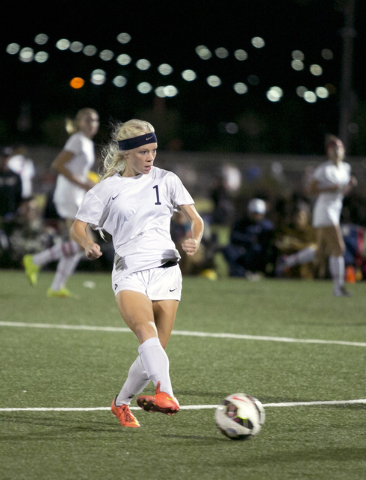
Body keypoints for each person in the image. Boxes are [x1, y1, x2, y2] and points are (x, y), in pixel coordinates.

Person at [70, 119, 204, 428]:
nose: (150, 158)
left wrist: (195, 237)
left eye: (153, 150)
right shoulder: (107, 189)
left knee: (152, 355)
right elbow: (78, 227)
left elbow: (195, 219)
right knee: (147, 332)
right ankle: (167, 394)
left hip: (167, 273)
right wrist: (87, 243)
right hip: (130, 272)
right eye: (143, 151)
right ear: (126, 153)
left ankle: (120, 403)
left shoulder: (167, 179)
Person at [23, 108, 100, 297]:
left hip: (76, 194)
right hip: (68, 194)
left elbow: (77, 170)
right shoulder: (77, 140)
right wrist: (83, 183)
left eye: (95, 120)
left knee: (82, 243)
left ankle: (56, 286)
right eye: (87, 120)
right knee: (84, 243)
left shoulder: (86, 143)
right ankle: (35, 261)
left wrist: (87, 182)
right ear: (79, 123)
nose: (92, 124)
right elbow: (58, 164)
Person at [308, 135, 357, 296]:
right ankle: (338, 287)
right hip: (325, 210)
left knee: (320, 251)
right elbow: (312, 189)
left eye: (339, 147)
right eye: (333, 148)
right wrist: (330, 188)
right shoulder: (324, 169)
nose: (336, 150)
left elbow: (342, 192)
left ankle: (288, 261)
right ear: (328, 151)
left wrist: (349, 185)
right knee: (339, 247)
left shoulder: (346, 168)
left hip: (335, 210)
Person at [222, 198, 274, 278]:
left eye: (258, 214)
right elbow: (233, 238)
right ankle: (239, 273)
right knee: (228, 250)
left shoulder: (267, 227)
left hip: (258, 254)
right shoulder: (240, 223)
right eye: (254, 213)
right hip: (242, 252)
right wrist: (249, 240)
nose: (256, 216)